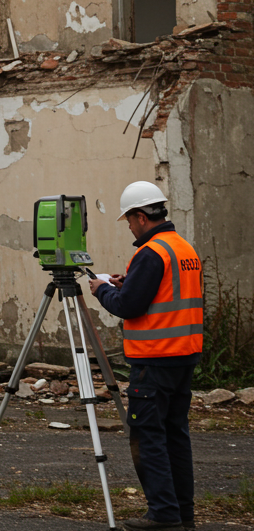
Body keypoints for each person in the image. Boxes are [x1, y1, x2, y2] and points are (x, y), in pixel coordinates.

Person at [89, 181, 202, 531]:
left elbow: (129, 307)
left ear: (141, 216)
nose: (129, 226)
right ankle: (182, 513)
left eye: (129, 220)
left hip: (154, 360)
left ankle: (163, 515)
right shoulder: (182, 248)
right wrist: (130, 283)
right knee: (175, 436)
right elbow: (165, 295)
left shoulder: (151, 252)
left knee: (149, 437)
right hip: (183, 357)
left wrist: (103, 290)